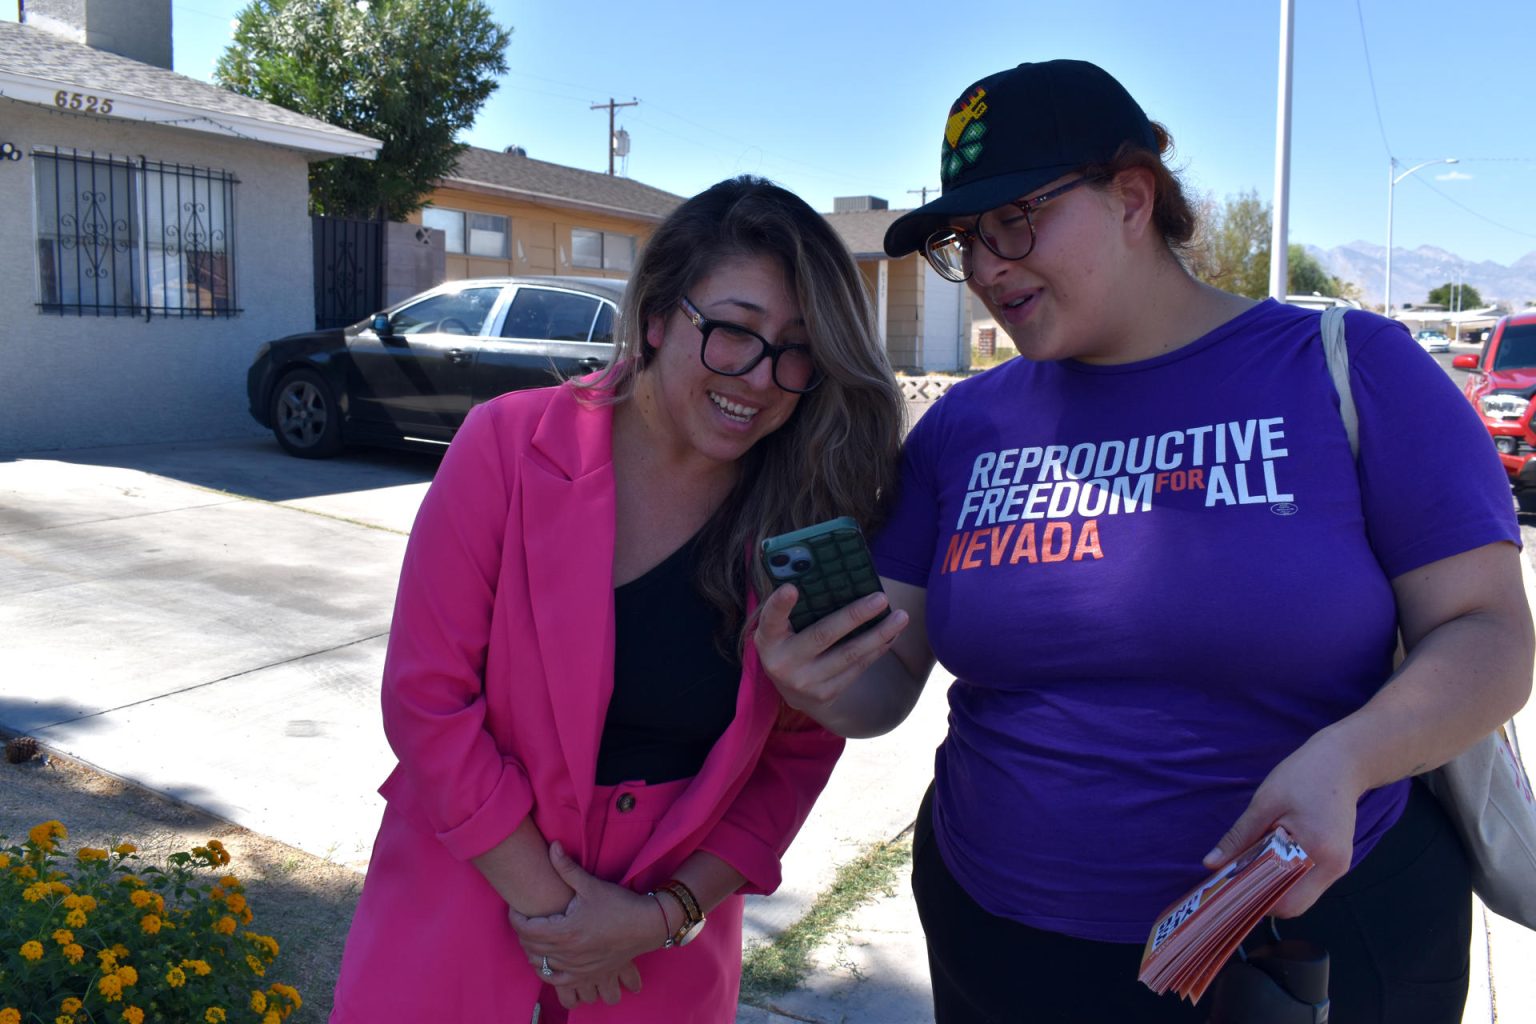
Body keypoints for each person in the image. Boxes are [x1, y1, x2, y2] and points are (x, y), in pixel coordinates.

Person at [753, 60, 1534, 1023]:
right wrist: (816, 679)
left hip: (1309, 941)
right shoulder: (966, 426)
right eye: (966, 238)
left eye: (1014, 219)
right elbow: (885, 683)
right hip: (1000, 941)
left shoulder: (1350, 370)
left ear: (1133, 196)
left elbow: (1490, 637)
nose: (989, 266)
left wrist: (1356, 756)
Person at [329, 176, 904, 1023]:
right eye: (735, 332)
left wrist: (656, 918)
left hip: (658, 954)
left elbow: (795, 758)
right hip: (465, 907)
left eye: (798, 347)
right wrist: (562, 921)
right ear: (657, 317)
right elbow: (427, 701)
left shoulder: (807, 515)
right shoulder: (507, 445)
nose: (761, 375)